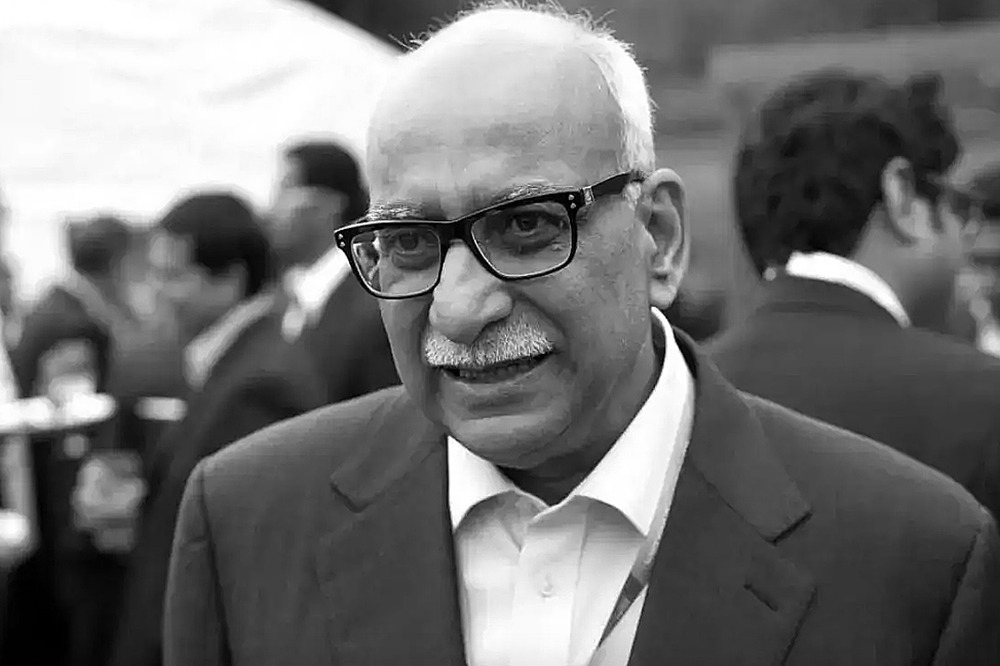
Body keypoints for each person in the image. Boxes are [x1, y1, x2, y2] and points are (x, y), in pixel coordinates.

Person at [165, 6, 1000, 665]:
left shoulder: (916, 560)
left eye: (527, 225)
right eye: (409, 243)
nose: (459, 308)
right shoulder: (246, 522)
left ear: (659, 237)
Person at [707, 69, 1000, 523]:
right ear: (902, 194)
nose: (965, 239)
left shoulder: (682, 394)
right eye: (958, 206)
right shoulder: (984, 400)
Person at [109, 192, 327, 666]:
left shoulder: (260, 385)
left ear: (230, 278)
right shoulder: (231, 362)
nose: (156, 292)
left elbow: (248, 563)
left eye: (173, 276)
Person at [3, 213, 134, 666]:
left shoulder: (52, 306)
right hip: (61, 518)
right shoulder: (73, 325)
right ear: (120, 262)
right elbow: (71, 431)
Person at [267, 139, 398, 404]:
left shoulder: (373, 303)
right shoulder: (281, 302)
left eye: (287, 188)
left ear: (332, 202)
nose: (272, 206)